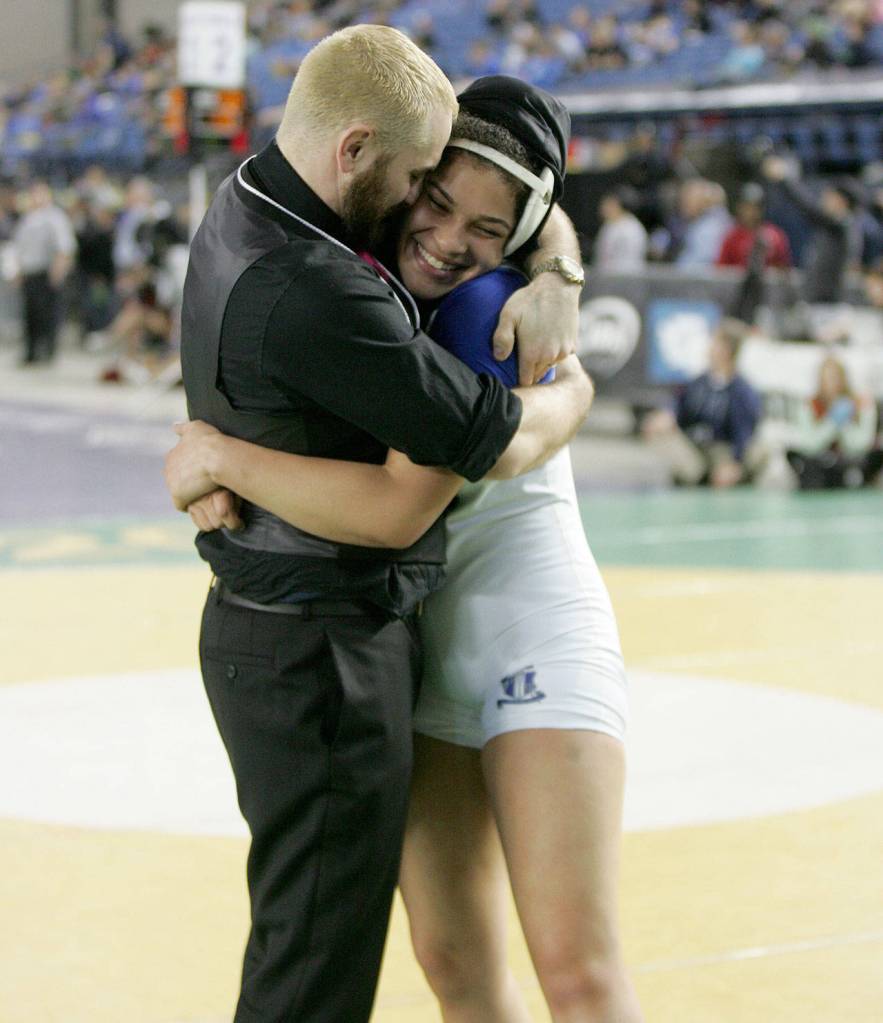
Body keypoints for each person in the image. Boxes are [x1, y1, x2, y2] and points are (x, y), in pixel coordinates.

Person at [167, 75, 643, 1023]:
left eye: (486, 227)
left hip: (529, 626)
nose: (450, 238)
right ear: (407, 174)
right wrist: (561, 264)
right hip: (415, 632)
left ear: (515, 234)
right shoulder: (359, 243)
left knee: (575, 970)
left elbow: (417, 496)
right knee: (451, 959)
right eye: (437, 199)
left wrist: (222, 457)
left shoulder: (489, 308)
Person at [642, 318, 763, 487]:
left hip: (723, 451)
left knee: (761, 450)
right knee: (661, 434)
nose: (709, 347)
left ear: (726, 350)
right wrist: (667, 415)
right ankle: (695, 475)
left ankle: (732, 474)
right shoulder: (699, 382)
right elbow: (679, 404)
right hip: (696, 448)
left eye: (715, 342)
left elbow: (744, 432)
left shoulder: (741, 391)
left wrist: (735, 462)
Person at [786, 354, 882, 489]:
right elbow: (808, 445)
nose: (831, 384)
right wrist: (831, 422)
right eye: (826, 379)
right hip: (821, 463)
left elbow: (862, 445)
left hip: (853, 462)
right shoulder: (810, 405)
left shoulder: (860, 403)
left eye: (835, 378)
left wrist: (846, 424)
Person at [11, 181, 76, 364]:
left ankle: (47, 351)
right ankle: (31, 352)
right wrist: (17, 270)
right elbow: (19, 247)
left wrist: (58, 270)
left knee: (47, 314)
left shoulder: (55, 217)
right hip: (29, 272)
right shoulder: (27, 218)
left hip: (46, 271)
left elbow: (64, 247)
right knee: (30, 314)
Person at [717, 182, 792, 271]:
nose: (751, 213)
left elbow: (784, 268)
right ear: (739, 208)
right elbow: (721, 270)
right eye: (747, 207)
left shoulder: (775, 236)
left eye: (755, 208)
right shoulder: (732, 237)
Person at [593, 185, 648, 273]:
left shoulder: (631, 228)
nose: (602, 208)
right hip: (606, 276)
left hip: (625, 277)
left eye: (607, 204)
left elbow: (629, 263)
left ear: (617, 204)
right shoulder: (609, 225)